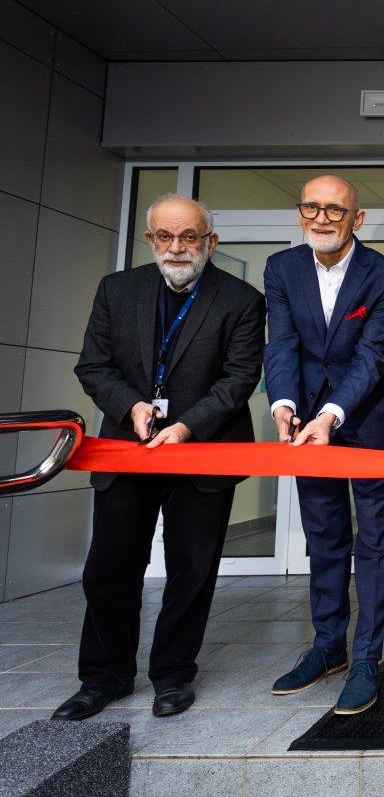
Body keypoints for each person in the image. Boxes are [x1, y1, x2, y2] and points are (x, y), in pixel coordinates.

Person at [56, 194, 265, 721]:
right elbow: (94, 366)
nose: (177, 247)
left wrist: (186, 426)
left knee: (191, 570)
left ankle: (173, 674)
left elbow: (239, 378)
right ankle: (103, 677)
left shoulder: (241, 299)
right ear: (150, 240)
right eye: (165, 236)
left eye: (189, 236)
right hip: (128, 447)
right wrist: (132, 406)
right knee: (110, 568)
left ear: (210, 242)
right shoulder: (116, 290)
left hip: (204, 451)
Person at [264, 175, 384, 715]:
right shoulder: (282, 268)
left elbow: (373, 356)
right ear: (300, 212)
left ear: (357, 218)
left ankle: (367, 657)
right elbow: (281, 342)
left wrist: (331, 413)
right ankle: (329, 647)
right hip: (305, 421)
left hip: (367, 420)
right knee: (324, 535)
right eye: (311, 208)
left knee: (375, 540)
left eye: (335, 210)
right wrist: (283, 403)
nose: (321, 219)